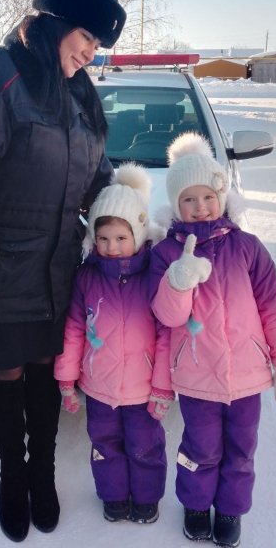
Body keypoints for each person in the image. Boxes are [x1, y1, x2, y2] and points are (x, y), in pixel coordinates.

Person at [0, 0, 126, 543]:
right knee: (6, 371)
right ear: (53, 23)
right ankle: (12, 473)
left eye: (97, 44)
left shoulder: (79, 94)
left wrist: (132, 217)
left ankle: (43, 469)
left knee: (47, 371)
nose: (91, 53)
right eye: (86, 38)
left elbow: (97, 174)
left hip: (61, 269)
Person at [149, 132, 276, 547]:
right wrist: (179, 281)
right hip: (197, 376)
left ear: (222, 195)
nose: (199, 207)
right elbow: (165, 316)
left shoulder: (248, 248)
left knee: (241, 449)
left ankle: (231, 510)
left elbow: (273, 306)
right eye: (188, 200)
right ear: (176, 205)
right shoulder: (165, 253)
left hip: (247, 375)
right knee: (200, 447)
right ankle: (196, 505)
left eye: (207, 196)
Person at [54, 163, 172, 525]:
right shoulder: (88, 276)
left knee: (145, 446)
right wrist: (66, 378)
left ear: (137, 234)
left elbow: (167, 332)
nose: (112, 247)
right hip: (100, 386)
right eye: (103, 238)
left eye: (121, 238)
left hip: (143, 388)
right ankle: (114, 496)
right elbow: (75, 327)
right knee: (105, 445)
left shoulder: (153, 275)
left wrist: (163, 387)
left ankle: (147, 498)